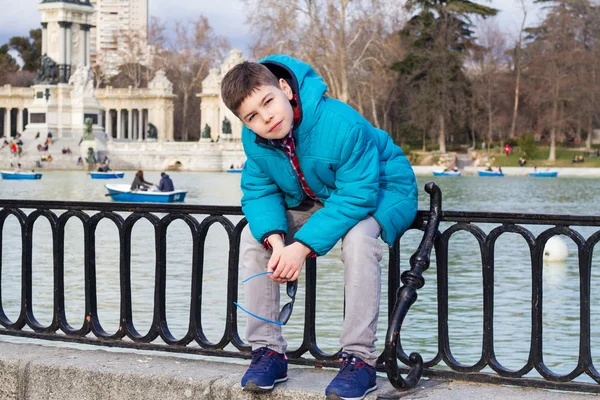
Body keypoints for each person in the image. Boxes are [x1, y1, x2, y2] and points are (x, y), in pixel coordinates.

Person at [220, 55, 417, 399]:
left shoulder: (340, 122)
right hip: (324, 195)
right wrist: (277, 241)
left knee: (358, 238)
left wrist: (302, 247)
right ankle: (268, 351)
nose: (266, 117)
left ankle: (359, 360)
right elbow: (259, 190)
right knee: (256, 239)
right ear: (244, 122)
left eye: (268, 102)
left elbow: (358, 195)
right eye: (252, 116)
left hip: (384, 188)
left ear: (285, 89)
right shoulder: (256, 142)